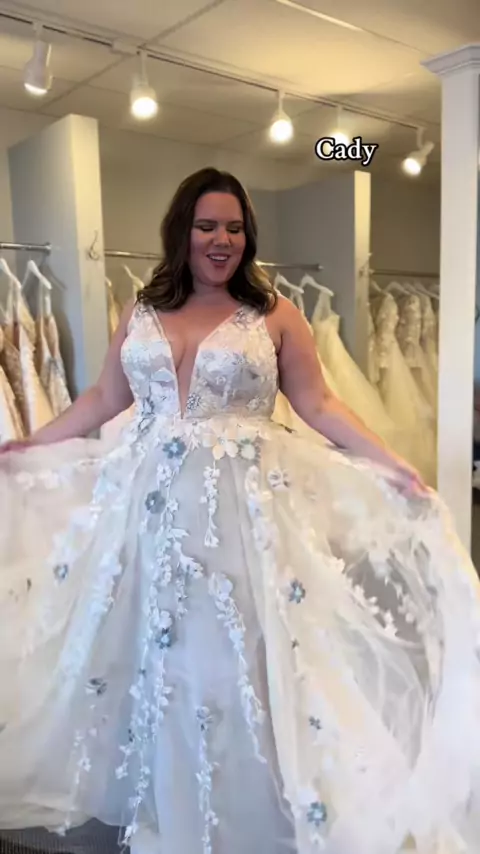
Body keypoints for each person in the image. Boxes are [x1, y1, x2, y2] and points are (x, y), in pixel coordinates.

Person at [0, 167, 479, 854]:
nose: (221, 240)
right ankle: (167, 802)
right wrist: (33, 443)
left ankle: (238, 809)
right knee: (153, 651)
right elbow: (105, 399)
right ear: (182, 232)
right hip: (147, 511)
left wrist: (390, 462)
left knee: (230, 656)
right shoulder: (141, 310)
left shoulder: (275, 314)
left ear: (247, 235)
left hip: (237, 514)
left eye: (233, 227)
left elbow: (320, 403)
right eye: (206, 226)